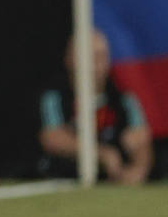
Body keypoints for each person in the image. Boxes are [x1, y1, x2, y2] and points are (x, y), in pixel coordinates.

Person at [39, 29, 153, 184]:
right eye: (89, 57)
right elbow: (52, 138)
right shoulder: (56, 98)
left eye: (101, 56)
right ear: (70, 59)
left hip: (114, 186)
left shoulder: (123, 101)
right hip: (65, 181)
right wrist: (100, 154)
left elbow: (140, 140)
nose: (96, 65)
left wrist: (137, 170)